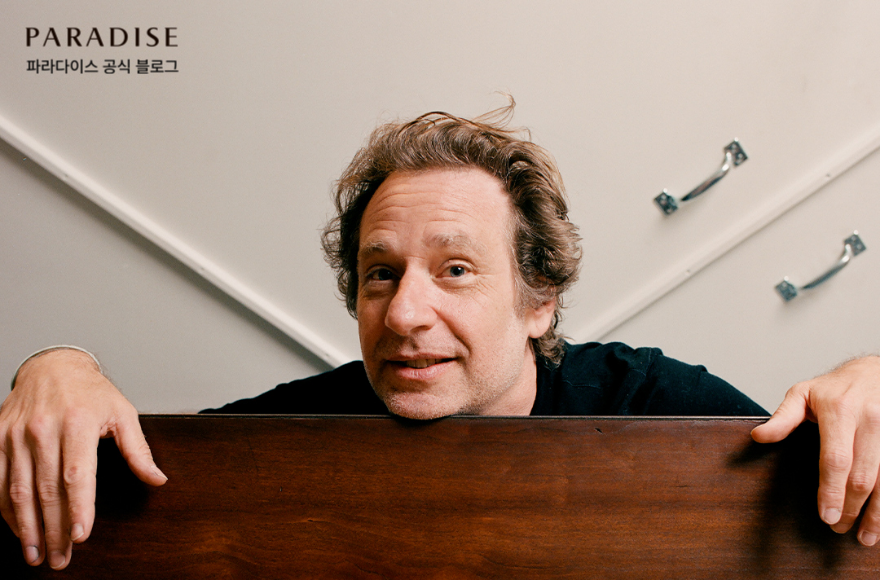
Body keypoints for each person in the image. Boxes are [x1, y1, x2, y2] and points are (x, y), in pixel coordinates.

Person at [2, 103, 880, 571]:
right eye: (381, 274)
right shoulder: (293, 434)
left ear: (539, 303)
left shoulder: (655, 403)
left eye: (455, 269)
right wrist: (56, 365)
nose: (404, 314)